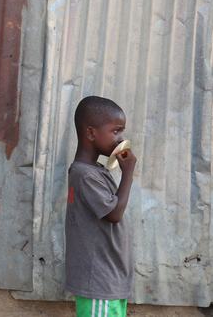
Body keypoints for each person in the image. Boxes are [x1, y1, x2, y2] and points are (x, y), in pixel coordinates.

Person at [65, 96, 137, 316]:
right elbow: (114, 214)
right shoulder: (84, 175)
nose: (120, 138)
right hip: (99, 281)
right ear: (91, 133)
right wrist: (128, 174)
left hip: (110, 280)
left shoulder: (95, 171)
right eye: (115, 131)